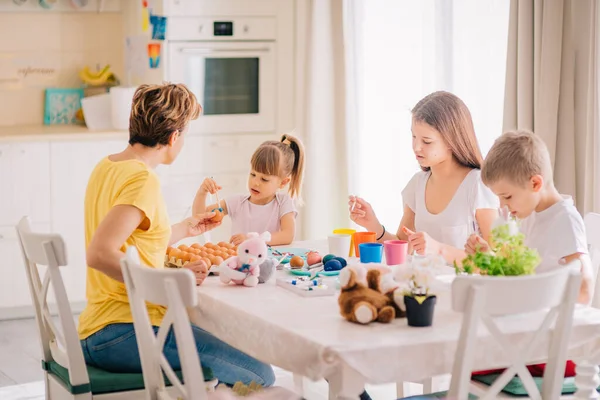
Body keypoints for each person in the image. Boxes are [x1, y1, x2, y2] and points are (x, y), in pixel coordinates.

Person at [79, 83, 275, 387]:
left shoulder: (107, 167)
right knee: (261, 374)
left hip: (103, 329)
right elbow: (100, 253)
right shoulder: (142, 180)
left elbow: (132, 242)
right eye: (185, 134)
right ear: (173, 137)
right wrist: (171, 281)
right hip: (125, 331)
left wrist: (186, 229)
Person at [466, 129, 594, 378]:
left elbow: (585, 290)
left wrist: (539, 304)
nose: (504, 206)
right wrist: (489, 256)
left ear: (535, 183)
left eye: (507, 196)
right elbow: (521, 272)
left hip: (551, 350)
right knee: (470, 353)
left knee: (468, 357)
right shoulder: (530, 215)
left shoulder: (564, 219)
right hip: (527, 336)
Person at [350, 91, 498, 263]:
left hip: (464, 287)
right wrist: (372, 224)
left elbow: (495, 261)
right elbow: (403, 249)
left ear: (452, 141)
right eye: (413, 136)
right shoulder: (417, 184)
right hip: (424, 287)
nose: (416, 147)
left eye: (426, 141)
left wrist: (438, 249)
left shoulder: (478, 185)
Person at [193, 134, 305, 246]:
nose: (255, 182)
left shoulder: (283, 203)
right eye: (253, 174)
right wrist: (202, 192)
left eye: (264, 179)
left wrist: (253, 240)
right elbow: (199, 218)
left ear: (283, 182)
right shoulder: (236, 202)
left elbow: (287, 236)